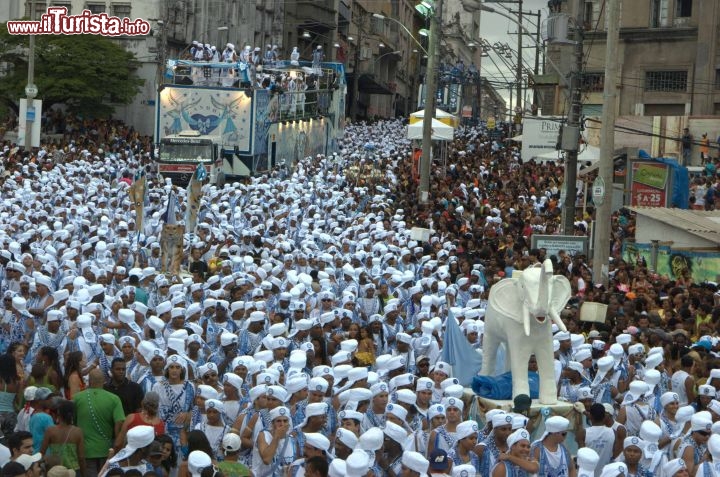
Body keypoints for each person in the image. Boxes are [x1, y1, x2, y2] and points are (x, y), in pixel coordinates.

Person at [74, 368, 126, 477]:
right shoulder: (114, 399)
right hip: (107, 450)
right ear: (104, 381)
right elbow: (119, 422)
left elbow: (73, 423)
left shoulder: (77, 398)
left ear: (89, 381)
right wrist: (117, 445)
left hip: (85, 450)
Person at [40, 399, 86, 477]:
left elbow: (42, 453)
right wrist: (84, 474)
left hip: (56, 471)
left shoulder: (50, 431)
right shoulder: (78, 431)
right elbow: (81, 457)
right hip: (74, 471)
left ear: (58, 413)